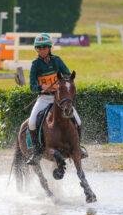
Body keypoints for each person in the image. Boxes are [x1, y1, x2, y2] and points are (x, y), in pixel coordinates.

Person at [26, 33, 86, 165]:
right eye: (39, 48)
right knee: (31, 122)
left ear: (49, 48)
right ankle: (36, 151)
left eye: (44, 47)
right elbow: (32, 86)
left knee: (79, 121)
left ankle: (79, 148)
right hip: (44, 99)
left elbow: (68, 75)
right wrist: (42, 86)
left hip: (59, 100)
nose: (42, 50)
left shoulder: (57, 60)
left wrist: (61, 84)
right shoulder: (35, 64)